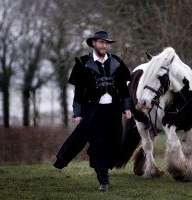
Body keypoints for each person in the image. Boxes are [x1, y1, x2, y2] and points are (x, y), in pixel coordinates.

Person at [53, 30, 132, 192]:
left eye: (106, 43)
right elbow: (79, 93)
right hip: (93, 113)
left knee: (114, 144)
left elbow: (123, 89)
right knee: (98, 145)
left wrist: (126, 107)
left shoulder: (116, 62)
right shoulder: (83, 63)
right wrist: (77, 113)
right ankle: (103, 180)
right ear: (94, 43)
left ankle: (97, 160)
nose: (105, 45)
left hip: (113, 112)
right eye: (101, 42)